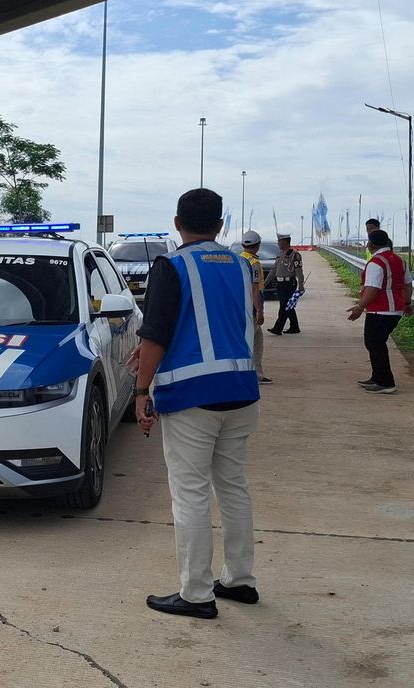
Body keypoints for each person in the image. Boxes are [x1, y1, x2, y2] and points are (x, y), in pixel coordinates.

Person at [132, 188, 262, 619]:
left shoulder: (172, 265)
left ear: (176, 222)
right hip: (241, 392)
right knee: (233, 487)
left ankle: (195, 593)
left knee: (189, 494)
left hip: (192, 397)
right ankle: (240, 580)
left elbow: (155, 336)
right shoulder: (241, 266)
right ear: (220, 225)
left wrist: (140, 391)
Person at [346, 229, 411, 394]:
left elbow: (372, 288)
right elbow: (408, 284)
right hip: (395, 309)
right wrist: (407, 302)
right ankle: (377, 377)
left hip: (380, 310)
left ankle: (385, 381)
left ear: (371, 244)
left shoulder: (377, 262)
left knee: (374, 343)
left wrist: (360, 307)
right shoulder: (399, 260)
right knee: (375, 343)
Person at [239, 230, 273, 384]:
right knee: (250, 342)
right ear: (258, 245)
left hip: (240, 306)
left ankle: (258, 373)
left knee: (258, 340)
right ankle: (248, 374)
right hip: (251, 309)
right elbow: (255, 289)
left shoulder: (238, 259)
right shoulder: (254, 263)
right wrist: (259, 311)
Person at [267, 230, 304, 335]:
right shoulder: (280, 255)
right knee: (289, 306)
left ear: (286, 242)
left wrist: (301, 285)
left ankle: (277, 328)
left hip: (289, 284)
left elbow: (299, 271)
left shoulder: (294, 255)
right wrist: (264, 283)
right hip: (280, 284)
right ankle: (294, 327)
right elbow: (273, 271)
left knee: (284, 306)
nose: (278, 243)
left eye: (280, 241)